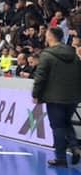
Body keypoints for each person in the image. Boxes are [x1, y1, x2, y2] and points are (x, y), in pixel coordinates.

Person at [31, 26, 81, 167]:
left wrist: (36, 94)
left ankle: (61, 158)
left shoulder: (47, 55)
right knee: (66, 122)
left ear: (50, 37)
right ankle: (75, 147)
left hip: (54, 97)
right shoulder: (73, 54)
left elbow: (40, 77)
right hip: (72, 96)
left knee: (57, 126)